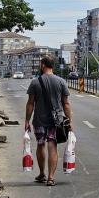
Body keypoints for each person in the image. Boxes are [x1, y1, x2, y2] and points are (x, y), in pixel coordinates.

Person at [25, 56, 73, 186]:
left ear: (43, 65)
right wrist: (69, 122)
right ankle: (51, 178)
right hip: (56, 121)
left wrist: (26, 120)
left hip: (39, 120)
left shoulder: (35, 82)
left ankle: (42, 174)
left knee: (41, 145)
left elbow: (30, 104)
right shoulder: (61, 81)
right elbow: (66, 104)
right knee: (52, 145)